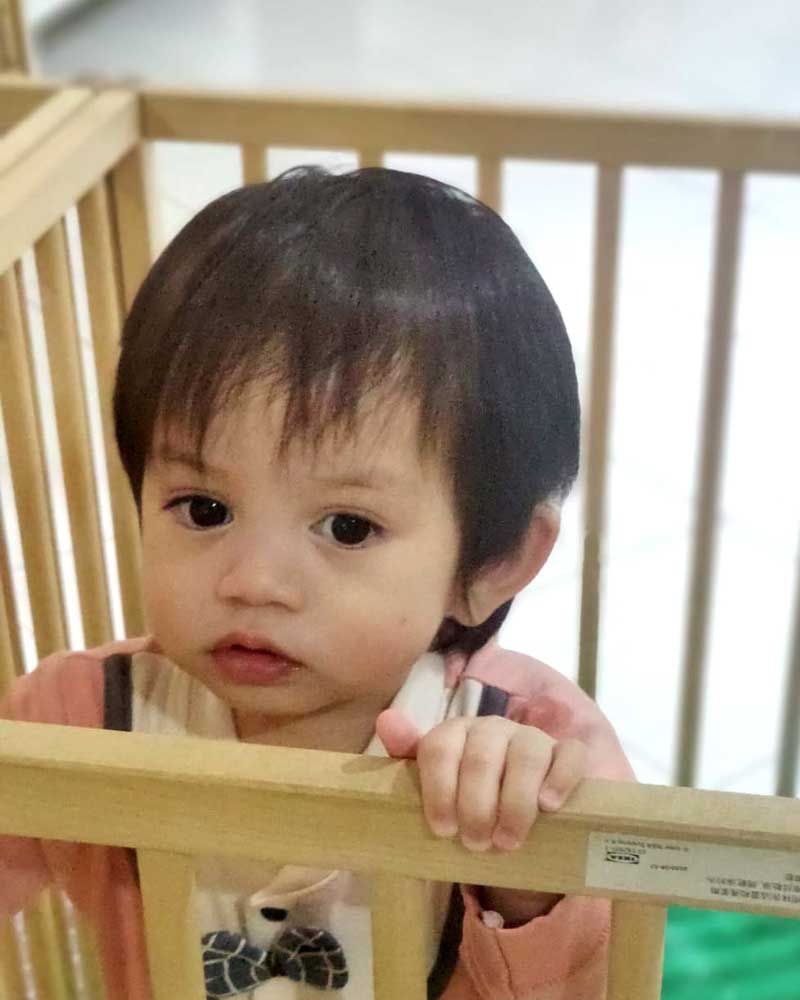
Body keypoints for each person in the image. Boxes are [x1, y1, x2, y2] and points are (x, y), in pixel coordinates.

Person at [0, 166, 634, 1000]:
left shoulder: (531, 743)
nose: (254, 581)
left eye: (347, 527)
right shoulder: (79, 721)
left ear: (492, 563)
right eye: (203, 508)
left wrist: (530, 866)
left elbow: (613, 966)